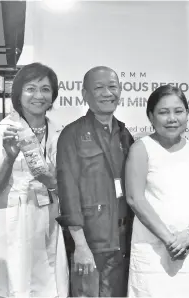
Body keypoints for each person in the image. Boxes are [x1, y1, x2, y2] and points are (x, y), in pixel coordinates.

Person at [0, 62, 69, 297]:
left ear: (53, 96)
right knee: (15, 285)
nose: (38, 95)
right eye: (31, 88)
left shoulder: (60, 132)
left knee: (48, 286)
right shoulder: (4, 131)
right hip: (12, 218)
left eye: (45, 89)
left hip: (48, 217)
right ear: (18, 94)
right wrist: (9, 160)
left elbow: (67, 187)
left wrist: (52, 181)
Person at [126, 85, 189, 297]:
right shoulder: (142, 148)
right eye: (163, 112)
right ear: (150, 116)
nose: (172, 118)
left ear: (187, 114)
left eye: (178, 111)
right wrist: (169, 239)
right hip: (152, 251)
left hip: (187, 248)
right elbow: (135, 199)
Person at [56, 66, 134, 297]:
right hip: (91, 242)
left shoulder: (124, 134)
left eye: (112, 87)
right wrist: (80, 246)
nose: (107, 93)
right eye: (99, 88)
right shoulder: (72, 134)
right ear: (85, 94)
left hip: (123, 240)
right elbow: (68, 192)